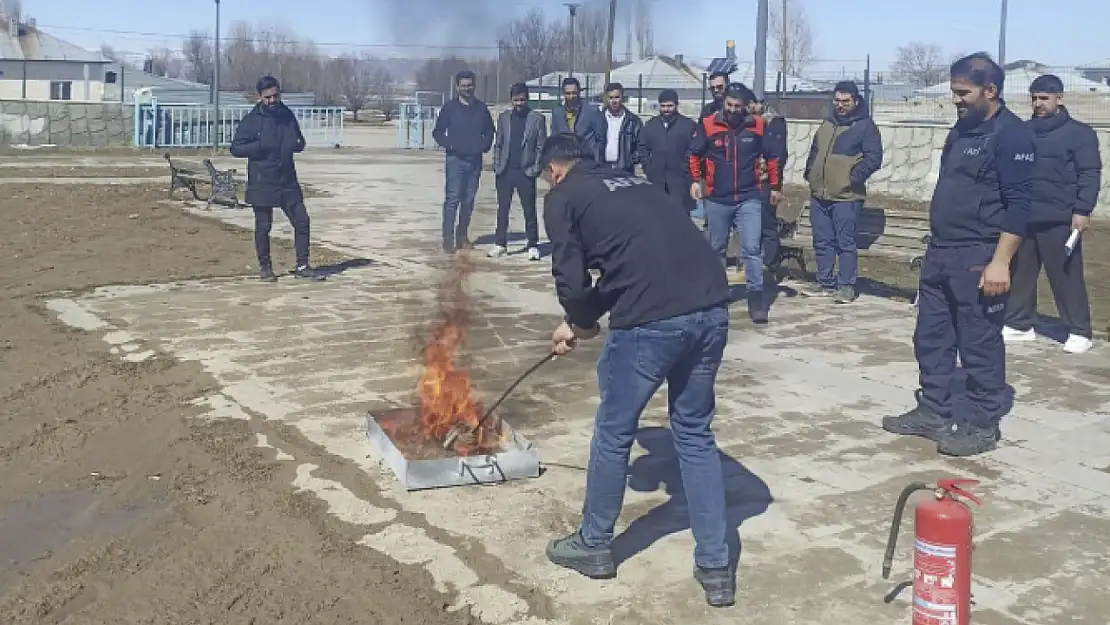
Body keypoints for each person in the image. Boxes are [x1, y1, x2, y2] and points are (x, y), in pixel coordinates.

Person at [539, 133, 735, 608]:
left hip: (652, 321)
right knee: (694, 434)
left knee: (613, 431)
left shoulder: (563, 196)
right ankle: (716, 567)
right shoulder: (634, 182)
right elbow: (626, 266)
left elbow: (571, 276)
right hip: (711, 308)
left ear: (554, 170)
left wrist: (580, 320)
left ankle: (594, 544)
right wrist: (577, 323)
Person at [882, 53, 1036, 458]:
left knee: (979, 343)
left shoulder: (1012, 136)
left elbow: (1020, 206)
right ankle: (933, 410)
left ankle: (982, 425)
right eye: (954, 92)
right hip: (941, 252)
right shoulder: (962, 129)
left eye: (963, 92)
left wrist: (1000, 261)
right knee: (931, 338)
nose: (956, 100)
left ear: (991, 90)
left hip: (980, 255)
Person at [1003, 74, 1102, 354]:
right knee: (1021, 272)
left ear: (1060, 98)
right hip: (1024, 216)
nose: (1038, 104)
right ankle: (1020, 324)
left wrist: (1082, 210)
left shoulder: (1080, 134)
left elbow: (1089, 174)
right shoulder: (1022, 131)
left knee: (1065, 276)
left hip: (1060, 218)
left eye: (1044, 98)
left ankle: (1079, 330)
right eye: (1034, 98)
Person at [689, 83, 782, 324]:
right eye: (728, 105)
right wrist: (695, 181)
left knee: (751, 248)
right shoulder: (709, 124)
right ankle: (718, 295)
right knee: (716, 248)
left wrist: (775, 187)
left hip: (748, 196)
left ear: (745, 107)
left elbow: (772, 158)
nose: (732, 109)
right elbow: (694, 154)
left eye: (737, 106)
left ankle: (756, 298)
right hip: (718, 197)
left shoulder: (758, 126)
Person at [230, 75, 325, 282]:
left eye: (276, 96)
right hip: (262, 181)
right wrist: (259, 146)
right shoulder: (252, 121)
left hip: (287, 179)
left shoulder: (286, 115)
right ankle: (265, 267)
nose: (273, 101)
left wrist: (297, 144)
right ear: (260, 97)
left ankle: (302, 266)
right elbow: (235, 148)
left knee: (302, 221)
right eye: (268, 98)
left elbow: (299, 141)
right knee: (264, 226)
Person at [801, 80, 883, 303]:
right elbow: (815, 150)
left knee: (844, 243)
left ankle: (846, 286)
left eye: (845, 101)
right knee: (822, 240)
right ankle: (825, 283)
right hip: (820, 194)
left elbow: (874, 157)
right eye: (837, 101)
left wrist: (852, 178)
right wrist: (810, 172)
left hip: (846, 197)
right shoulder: (828, 123)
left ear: (855, 101)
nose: (840, 105)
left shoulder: (865, 126)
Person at [432, 70, 495, 254]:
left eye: (470, 85)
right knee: (452, 200)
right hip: (455, 161)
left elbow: (490, 131)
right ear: (457, 87)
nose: (467, 88)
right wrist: (450, 145)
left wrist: (483, 146)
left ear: (474, 86)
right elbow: (437, 132)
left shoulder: (482, 108)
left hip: (474, 161)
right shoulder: (449, 108)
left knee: (468, 201)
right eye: (463, 85)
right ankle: (448, 239)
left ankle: (462, 236)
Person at [489, 82, 547, 261]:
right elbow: (498, 143)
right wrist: (497, 166)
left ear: (527, 99)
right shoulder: (504, 118)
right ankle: (500, 243)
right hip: (505, 171)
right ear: (511, 100)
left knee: (529, 209)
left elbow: (541, 147)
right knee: (503, 209)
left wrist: (536, 168)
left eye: (522, 100)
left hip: (526, 171)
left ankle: (533, 245)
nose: (519, 103)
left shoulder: (537, 119)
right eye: (516, 100)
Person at [637, 89, 696, 213]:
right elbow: (642, 148)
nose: (666, 109)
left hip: (680, 180)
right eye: (663, 106)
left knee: (680, 215)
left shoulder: (688, 125)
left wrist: (686, 170)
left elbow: (693, 150)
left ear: (676, 105)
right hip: (657, 179)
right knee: (659, 215)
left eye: (670, 106)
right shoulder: (650, 126)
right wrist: (649, 168)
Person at [749, 97, 789, 271]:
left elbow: (778, 156)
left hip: (766, 181)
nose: (750, 106)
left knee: (767, 223)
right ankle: (752, 262)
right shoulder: (746, 122)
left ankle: (770, 264)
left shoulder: (774, 123)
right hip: (747, 181)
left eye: (754, 103)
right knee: (750, 224)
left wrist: (775, 185)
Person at [692, 71, 731, 222]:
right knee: (713, 224)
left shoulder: (739, 108)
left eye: (720, 87)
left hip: (737, 173)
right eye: (712, 88)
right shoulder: (707, 111)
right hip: (712, 174)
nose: (716, 91)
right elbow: (700, 143)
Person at [594, 82, 643, 173]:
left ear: (622, 98)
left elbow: (640, 145)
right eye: (611, 97)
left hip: (624, 170)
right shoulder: (598, 119)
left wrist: (630, 160)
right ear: (606, 98)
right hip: (601, 168)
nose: (614, 101)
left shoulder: (633, 121)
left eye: (617, 97)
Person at [549, 76, 598, 154]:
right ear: (563, 93)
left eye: (574, 93)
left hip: (587, 160)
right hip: (566, 160)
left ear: (579, 92)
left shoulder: (592, 112)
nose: (571, 96)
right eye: (568, 93)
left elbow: (600, 139)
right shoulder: (557, 113)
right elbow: (554, 140)